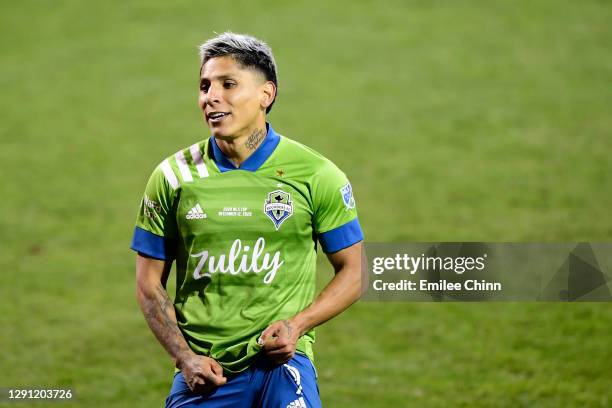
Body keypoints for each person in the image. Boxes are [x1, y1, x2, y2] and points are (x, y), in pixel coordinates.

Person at [130, 32, 364, 408]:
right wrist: (184, 358)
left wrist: (297, 325)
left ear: (265, 95)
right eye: (205, 86)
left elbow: (354, 270)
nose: (211, 97)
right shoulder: (172, 177)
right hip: (206, 373)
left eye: (228, 84)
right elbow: (148, 284)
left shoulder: (316, 174)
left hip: (282, 365)